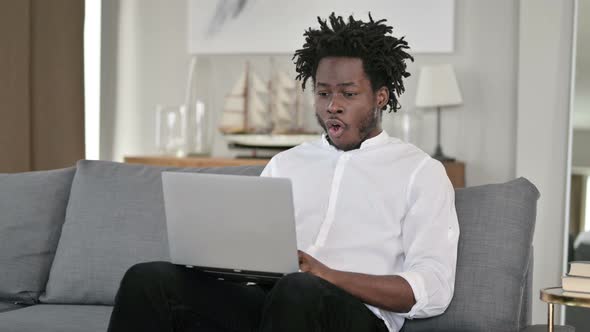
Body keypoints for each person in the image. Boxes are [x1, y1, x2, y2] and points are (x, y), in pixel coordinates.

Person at [107, 12, 459, 332]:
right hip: (274, 303)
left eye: (348, 94)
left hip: (357, 317)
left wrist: (327, 275)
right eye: (323, 93)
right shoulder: (286, 164)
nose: (332, 106)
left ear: (381, 97)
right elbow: (252, 252)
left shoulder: (420, 173)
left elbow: (433, 288)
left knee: (299, 287)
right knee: (149, 279)